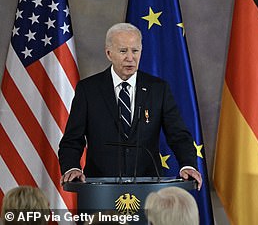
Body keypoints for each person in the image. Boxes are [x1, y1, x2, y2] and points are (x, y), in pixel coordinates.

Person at [58, 23, 202, 188]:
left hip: (149, 188)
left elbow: (178, 135)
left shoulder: (158, 89)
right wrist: (72, 167)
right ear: (108, 53)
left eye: (135, 51)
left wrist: (188, 164)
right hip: (100, 190)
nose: (130, 58)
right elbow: (72, 140)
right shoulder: (88, 90)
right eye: (123, 51)